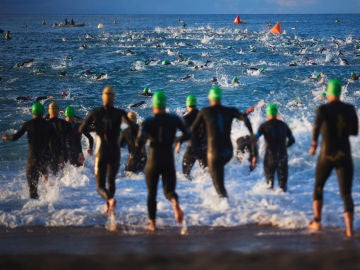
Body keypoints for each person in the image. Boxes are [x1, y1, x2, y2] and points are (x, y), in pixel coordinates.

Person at [308, 79, 358, 238]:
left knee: (318, 187)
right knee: (346, 193)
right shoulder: (350, 109)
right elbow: (355, 132)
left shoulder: (323, 109)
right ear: (340, 92)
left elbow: (316, 126)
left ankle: (317, 221)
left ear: (329, 93)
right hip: (344, 154)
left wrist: (314, 143)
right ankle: (349, 230)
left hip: (327, 154)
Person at [136, 90, 190, 232]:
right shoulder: (174, 119)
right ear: (164, 104)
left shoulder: (149, 121)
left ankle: (152, 224)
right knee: (169, 191)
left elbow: (139, 141)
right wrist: (177, 140)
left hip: (153, 161)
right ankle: (174, 203)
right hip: (168, 160)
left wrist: (142, 146)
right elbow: (188, 134)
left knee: (152, 194)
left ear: (153, 105)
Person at [191, 86, 256, 198]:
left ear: (209, 98)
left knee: (217, 183)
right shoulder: (230, 111)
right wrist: (252, 134)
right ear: (221, 98)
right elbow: (244, 118)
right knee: (218, 172)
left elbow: (192, 130)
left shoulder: (204, 112)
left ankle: (226, 205)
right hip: (227, 152)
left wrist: (191, 145)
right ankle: (233, 194)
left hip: (214, 153)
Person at [79, 86, 134, 217]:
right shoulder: (120, 113)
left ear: (103, 97)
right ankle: (110, 205)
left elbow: (81, 128)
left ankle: (109, 200)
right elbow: (132, 127)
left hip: (101, 151)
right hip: (115, 151)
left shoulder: (95, 113)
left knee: (100, 185)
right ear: (113, 98)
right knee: (112, 180)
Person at [2, 102, 55, 199]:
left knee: (33, 191)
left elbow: (15, 137)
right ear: (43, 112)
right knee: (46, 179)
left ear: (33, 112)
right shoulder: (49, 126)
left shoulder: (28, 124)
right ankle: (50, 200)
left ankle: (35, 210)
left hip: (33, 160)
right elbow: (54, 143)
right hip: (45, 159)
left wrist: (7, 137)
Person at [255, 104, 295, 192]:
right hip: (282, 155)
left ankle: (271, 202)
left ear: (267, 114)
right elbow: (292, 140)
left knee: (270, 185)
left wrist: (254, 155)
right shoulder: (284, 125)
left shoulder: (264, 125)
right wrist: (285, 146)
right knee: (283, 186)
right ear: (276, 113)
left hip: (270, 156)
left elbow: (255, 138)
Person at [175, 95, 207, 180]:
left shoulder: (185, 118)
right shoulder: (203, 116)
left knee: (186, 174)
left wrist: (179, 144)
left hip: (192, 148)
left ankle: (191, 189)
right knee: (207, 173)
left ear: (187, 104)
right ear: (196, 104)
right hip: (204, 148)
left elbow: (185, 134)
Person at [47, 102, 72, 175]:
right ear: (58, 111)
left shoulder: (45, 124)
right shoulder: (65, 124)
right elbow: (72, 140)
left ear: (49, 111)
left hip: (50, 154)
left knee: (51, 177)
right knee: (62, 177)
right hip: (63, 154)